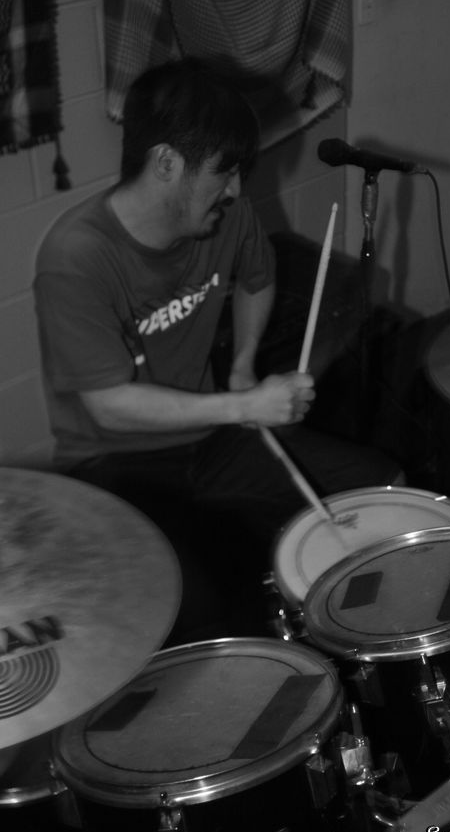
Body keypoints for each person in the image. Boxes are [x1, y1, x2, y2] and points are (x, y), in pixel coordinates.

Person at [34, 58, 403, 643]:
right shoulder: (76, 257)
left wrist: (243, 365)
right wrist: (245, 407)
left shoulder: (226, 215)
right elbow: (108, 406)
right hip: (113, 463)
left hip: (209, 437)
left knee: (382, 489)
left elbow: (257, 278)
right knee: (204, 611)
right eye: (223, 171)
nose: (235, 188)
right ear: (166, 163)